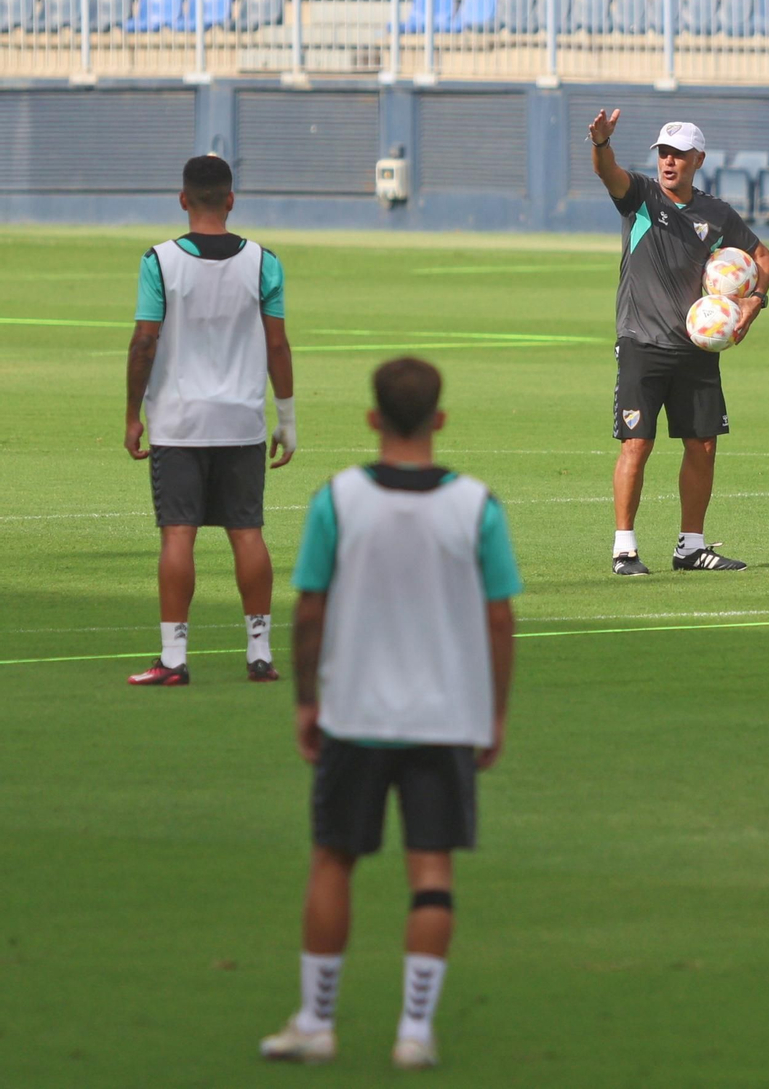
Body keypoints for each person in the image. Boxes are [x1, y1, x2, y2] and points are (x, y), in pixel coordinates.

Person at [260, 358, 520, 1071]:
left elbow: (310, 608)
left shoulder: (337, 501)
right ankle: (414, 1032)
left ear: (374, 418)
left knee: (333, 859)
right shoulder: (476, 505)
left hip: (356, 712)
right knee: (431, 870)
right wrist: (493, 714)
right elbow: (500, 620)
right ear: (438, 419)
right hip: (444, 717)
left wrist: (307, 699)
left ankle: (316, 1020)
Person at [123, 154, 296, 686]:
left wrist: (132, 413)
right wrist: (285, 416)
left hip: (178, 421)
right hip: (242, 418)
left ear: (182, 199)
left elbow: (145, 341)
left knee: (178, 535)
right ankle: (259, 654)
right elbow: (277, 343)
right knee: (248, 533)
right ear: (230, 199)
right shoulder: (264, 261)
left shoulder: (159, 261)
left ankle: (174, 659)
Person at [588, 110, 769, 576]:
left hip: (696, 348)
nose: (669, 162)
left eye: (678, 155)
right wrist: (600, 145)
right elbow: (607, 173)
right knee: (637, 443)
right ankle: (624, 549)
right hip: (642, 343)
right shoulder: (640, 197)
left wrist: (753, 302)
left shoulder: (716, 214)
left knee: (703, 445)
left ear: (698, 159)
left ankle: (691, 548)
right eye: (663, 154)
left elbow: (762, 257)